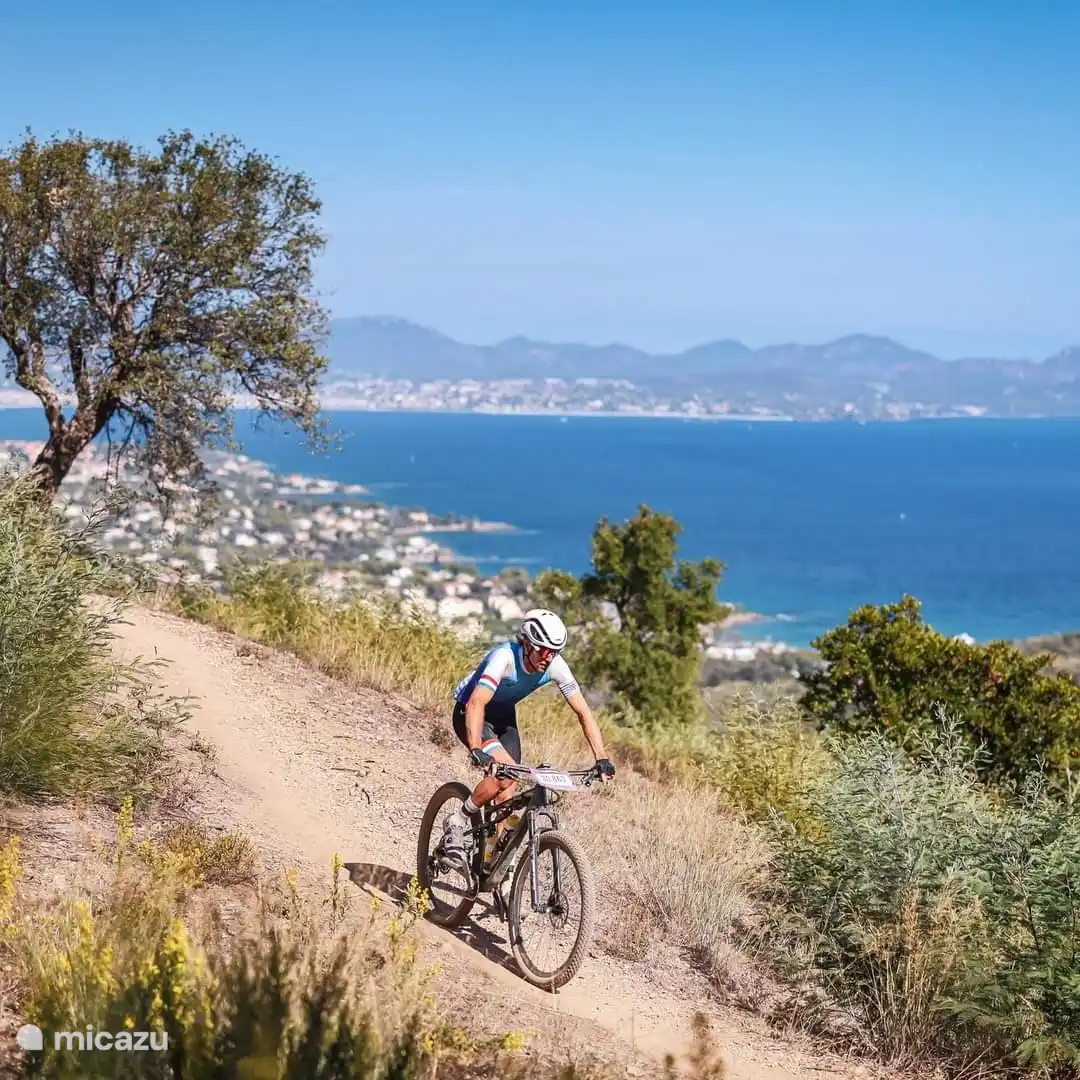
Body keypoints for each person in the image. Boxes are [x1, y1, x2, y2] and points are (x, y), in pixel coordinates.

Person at [440, 607, 615, 864]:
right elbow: (477, 702)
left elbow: (583, 712)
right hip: (471, 712)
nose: (548, 657)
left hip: (503, 716)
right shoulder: (505, 658)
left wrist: (601, 757)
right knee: (505, 773)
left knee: (508, 789)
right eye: (543, 650)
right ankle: (459, 819)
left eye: (554, 652)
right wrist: (476, 748)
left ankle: (493, 863)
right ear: (527, 644)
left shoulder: (555, 665)